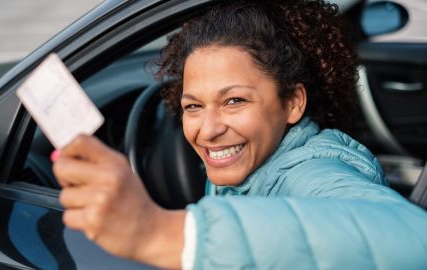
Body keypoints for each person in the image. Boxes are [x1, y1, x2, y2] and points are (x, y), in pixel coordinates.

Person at [52, 0, 427, 269]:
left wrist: (162, 233)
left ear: (293, 103)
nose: (209, 130)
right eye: (193, 107)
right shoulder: (251, 164)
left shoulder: (314, 173)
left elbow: (413, 238)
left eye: (234, 101)